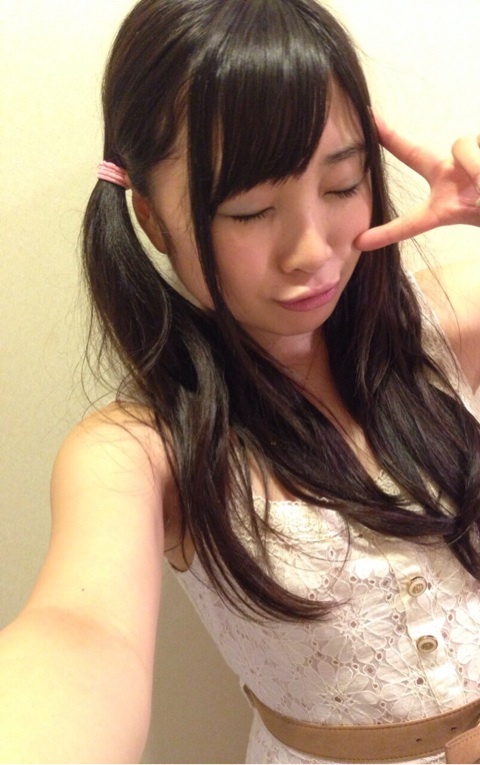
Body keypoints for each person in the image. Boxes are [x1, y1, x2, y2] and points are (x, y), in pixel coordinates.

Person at [1, 0, 480, 762]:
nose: (311, 250)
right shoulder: (140, 449)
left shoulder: (445, 326)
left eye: (341, 184)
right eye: (252, 209)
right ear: (152, 222)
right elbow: (78, 631)